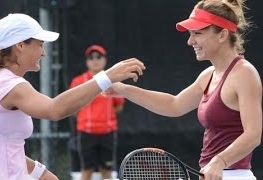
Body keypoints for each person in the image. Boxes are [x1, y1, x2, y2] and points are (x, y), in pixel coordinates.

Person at [0, 13, 145, 180]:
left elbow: (3, 151)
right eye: (40, 45)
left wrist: (43, 174)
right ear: (19, 46)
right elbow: (55, 109)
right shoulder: (8, 85)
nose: (43, 53)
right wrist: (107, 77)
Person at [107, 0, 262, 179]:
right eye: (190, 34)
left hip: (234, 175)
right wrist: (124, 89)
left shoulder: (245, 74)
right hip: (212, 173)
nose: (190, 41)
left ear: (222, 35)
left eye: (197, 33)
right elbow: (174, 105)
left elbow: (253, 135)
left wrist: (219, 161)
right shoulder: (208, 75)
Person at [69, 45, 125, 180]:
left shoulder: (112, 81)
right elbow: (71, 107)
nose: (95, 60)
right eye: (91, 57)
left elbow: (119, 106)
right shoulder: (78, 81)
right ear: (86, 61)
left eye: (99, 57)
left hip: (107, 132)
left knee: (107, 171)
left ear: (105, 60)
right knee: (86, 171)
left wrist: (104, 119)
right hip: (86, 133)